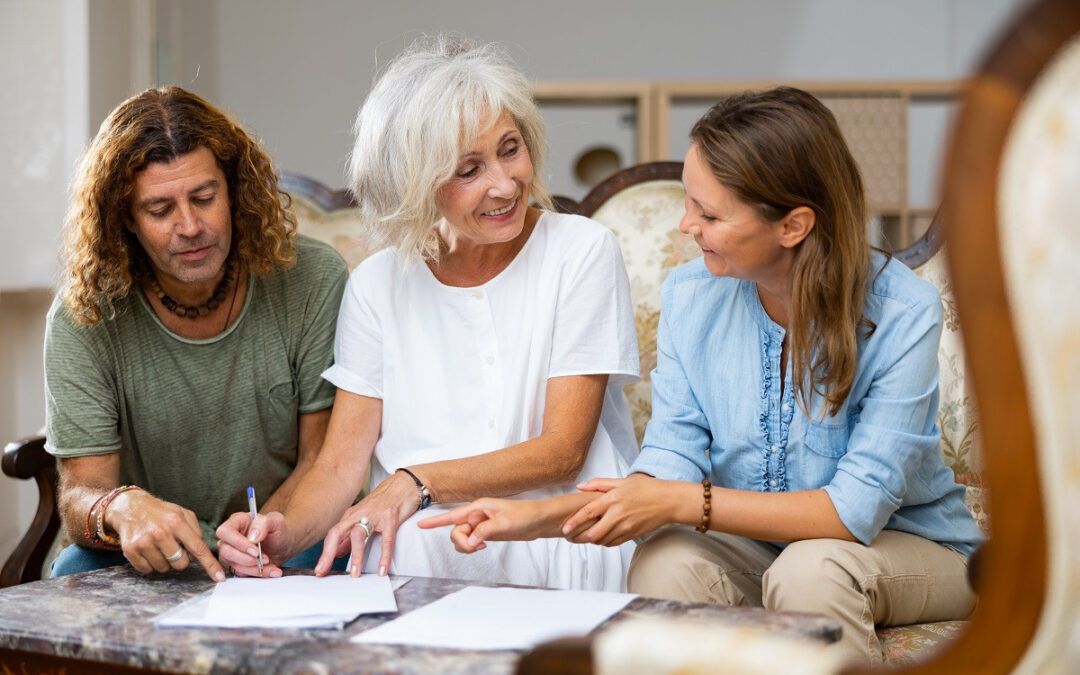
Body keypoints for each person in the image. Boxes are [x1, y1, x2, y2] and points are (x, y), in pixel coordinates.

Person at [420, 87, 984, 667]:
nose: (686, 225)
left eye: (709, 213)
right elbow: (667, 464)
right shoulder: (690, 297)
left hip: (914, 550)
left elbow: (850, 514)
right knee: (666, 561)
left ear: (793, 225)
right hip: (763, 549)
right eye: (690, 203)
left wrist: (685, 502)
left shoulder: (902, 311)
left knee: (813, 570)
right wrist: (536, 517)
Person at [216, 36, 640, 591]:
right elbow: (340, 466)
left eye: (510, 149)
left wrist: (413, 483)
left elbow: (563, 452)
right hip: (416, 550)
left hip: (556, 536)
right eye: (468, 169)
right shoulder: (376, 283)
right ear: (412, 185)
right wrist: (283, 534)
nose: (504, 183)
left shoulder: (581, 250)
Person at [45, 86, 349, 581]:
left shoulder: (312, 279)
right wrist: (121, 509)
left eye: (204, 198)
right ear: (125, 219)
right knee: (76, 570)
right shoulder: (84, 316)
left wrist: (263, 532)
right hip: (155, 551)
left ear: (235, 191)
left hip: (285, 534)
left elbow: (323, 459)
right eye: (160, 210)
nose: (190, 226)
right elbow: (82, 492)